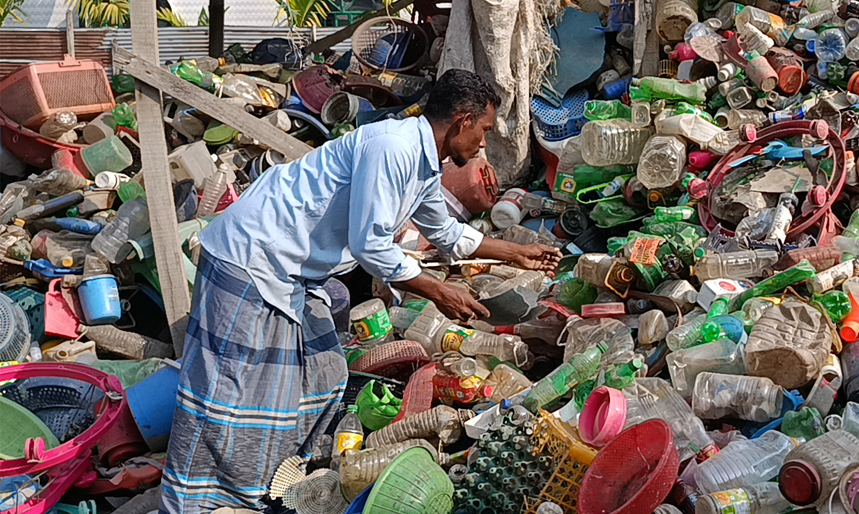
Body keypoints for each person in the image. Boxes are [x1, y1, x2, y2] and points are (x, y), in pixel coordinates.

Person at [161, 69, 560, 514]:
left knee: (324, 374)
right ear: (463, 121)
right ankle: (196, 501)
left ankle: (278, 480)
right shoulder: (393, 148)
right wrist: (437, 292)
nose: (483, 145)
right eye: (484, 131)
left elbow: (445, 230)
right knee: (228, 389)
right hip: (253, 257)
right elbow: (371, 244)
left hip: (292, 274)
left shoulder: (425, 161)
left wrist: (514, 254)